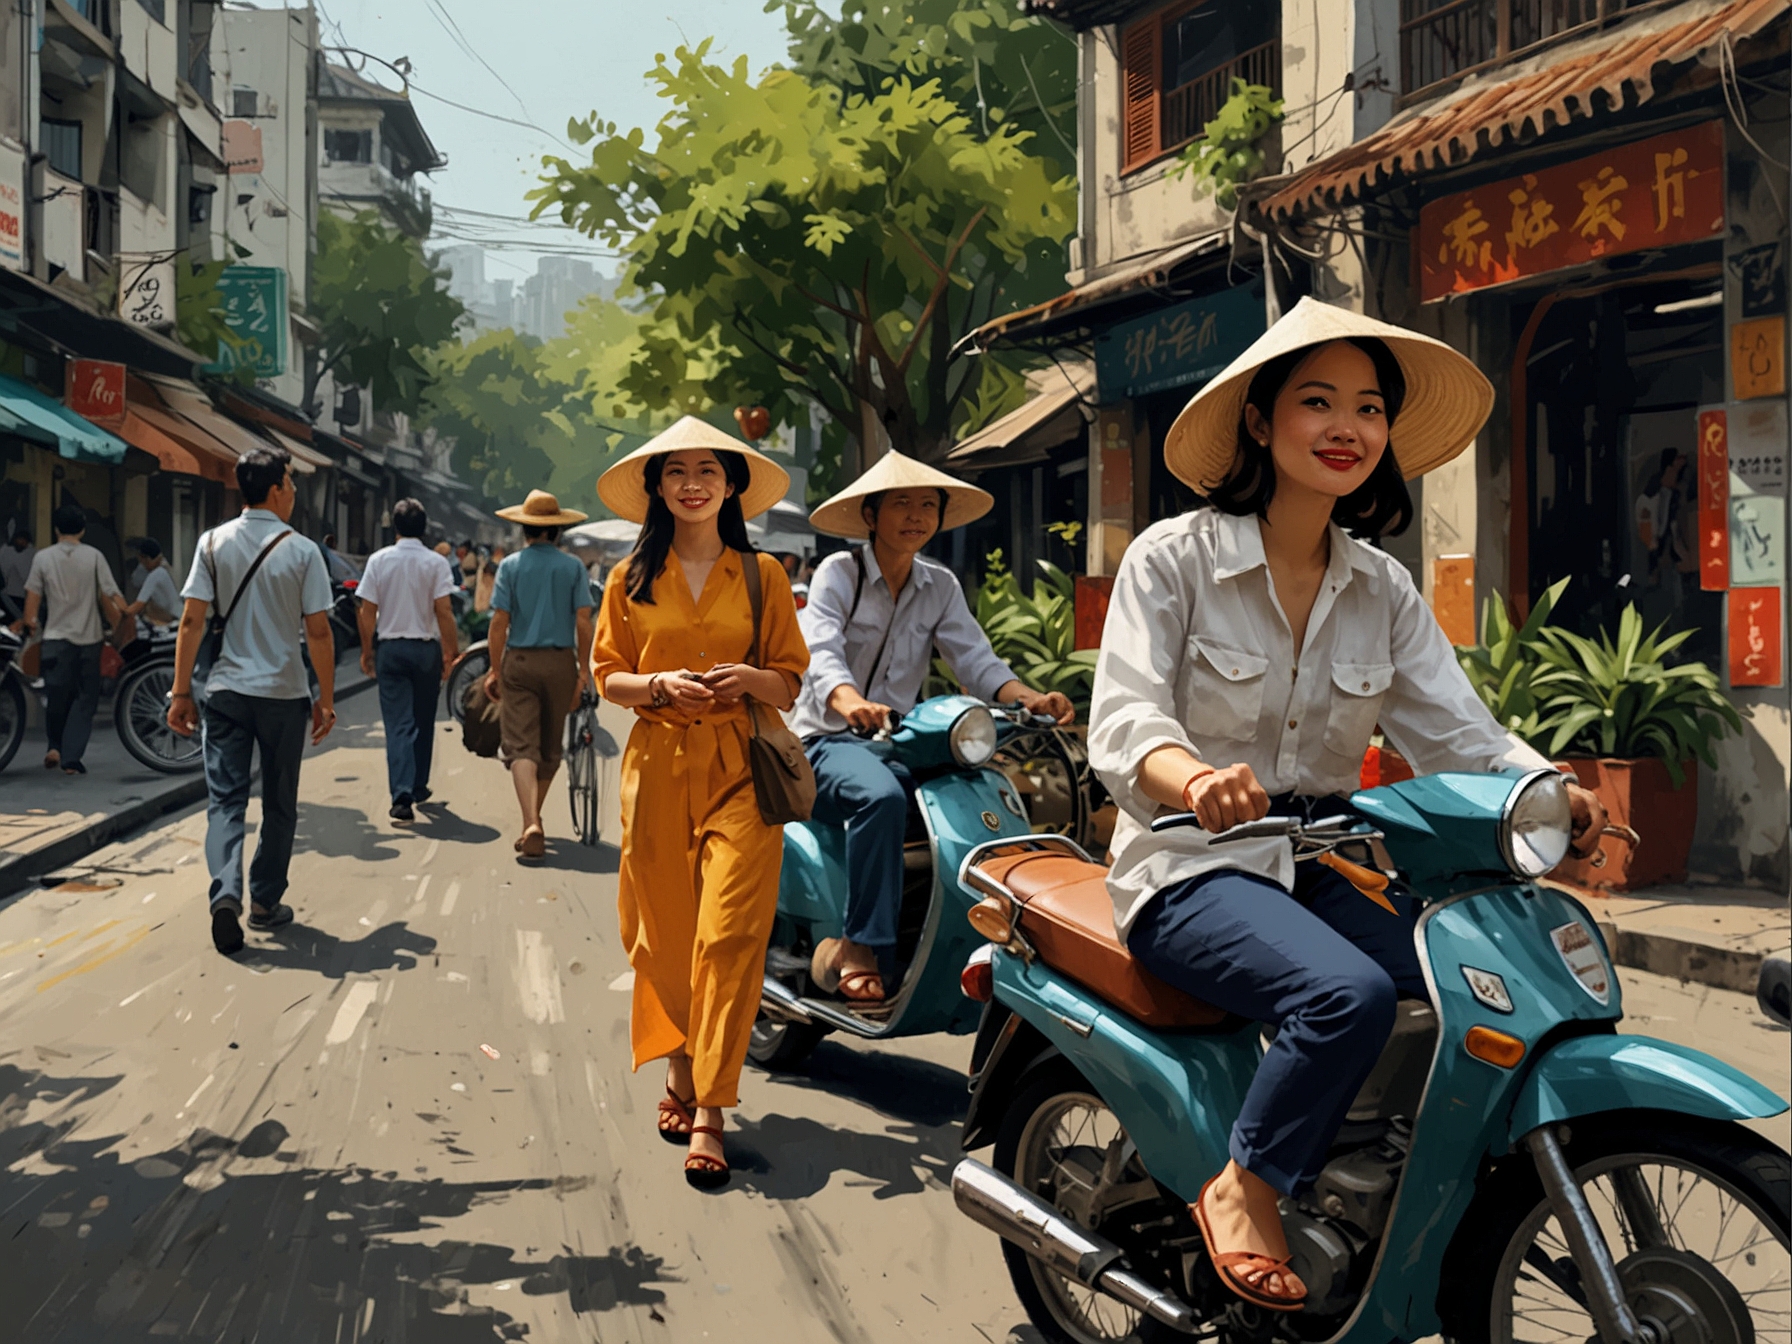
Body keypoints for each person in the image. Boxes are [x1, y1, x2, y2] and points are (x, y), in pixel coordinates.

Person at [1087, 298, 1609, 1313]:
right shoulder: (1172, 558)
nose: (1346, 428)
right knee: (1344, 997)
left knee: (1478, 979)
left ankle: (1388, 1177)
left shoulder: (1380, 587)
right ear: (1258, 420)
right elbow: (1125, 719)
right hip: (1187, 866)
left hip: (1323, 858)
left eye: (1368, 409)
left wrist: (1551, 790)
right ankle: (1244, 1183)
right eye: (1316, 401)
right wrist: (1193, 778)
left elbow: (1461, 734)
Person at [592, 416, 808, 1190]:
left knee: (729, 934)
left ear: (730, 485)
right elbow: (606, 674)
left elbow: (788, 678)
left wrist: (744, 679)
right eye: (677, 471)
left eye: (708, 471)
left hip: (741, 767)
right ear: (657, 486)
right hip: (654, 767)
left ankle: (711, 1108)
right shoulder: (628, 578)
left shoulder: (764, 576)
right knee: (664, 935)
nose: (692, 483)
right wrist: (655, 686)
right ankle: (682, 1068)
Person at [790, 452, 1076, 1003]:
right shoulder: (839, 573)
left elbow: (976, 661)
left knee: (983, 797)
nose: (916, 515)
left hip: (893, 744)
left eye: (928, 505)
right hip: (825, 741)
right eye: (901, 503)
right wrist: (850, 702)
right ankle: (861, 946)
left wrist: (1030, 698)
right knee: (880, 798)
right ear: (870, 515)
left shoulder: (939, 584)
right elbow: (818, 652)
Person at [167, 446, 337, 956]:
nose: (294, 492)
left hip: (225, 694)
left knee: (225, 801)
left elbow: (193, 620)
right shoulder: (303, 551)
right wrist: (325, 699)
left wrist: (180, 692)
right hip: (283, 695)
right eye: (291, 482)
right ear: (277, 490)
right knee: (280, 803)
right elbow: (320, 632)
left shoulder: (212, 542)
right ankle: (264, 901)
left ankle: (226, 892)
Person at [480, 492, 594, 857]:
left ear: (524, 528)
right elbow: (583, 621)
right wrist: (583, 671)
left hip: (521, 663)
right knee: (549, 747)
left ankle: (531, 821)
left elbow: (499, 623)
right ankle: (535, 819)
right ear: (558, 530)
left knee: (520, 746)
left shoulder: (510, 566)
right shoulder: (574, 567)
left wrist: (495, 670)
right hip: (561, 663)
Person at [356, 499, 459, 824]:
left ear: (395, 527)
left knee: (398, 724)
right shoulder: (436, 563)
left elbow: (367, 611)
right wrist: (450, 653)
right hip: (425, 650)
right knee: (423, 719)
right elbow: (444, 610)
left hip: (391, 650)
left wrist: (366, 650)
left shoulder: (379, 560)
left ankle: (401, 796)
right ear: (424, 527)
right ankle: (417, 785)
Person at [13, 504, 124, 773]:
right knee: (85, 699)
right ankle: (71, 759)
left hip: (55, 639)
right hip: (90, 639)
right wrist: (129, 614)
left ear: (56, 529)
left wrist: (29, 625)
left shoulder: (43, 558)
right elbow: (112, 594)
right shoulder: (95, 556)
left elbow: (33, 600)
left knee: (57, 696)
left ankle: (54, 746)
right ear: (82, 530)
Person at [120, 538, 181, 633]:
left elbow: (138, 605)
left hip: (175, 621)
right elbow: (136, 581)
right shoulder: (163, 568)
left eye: (142, 562)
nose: (142, 565)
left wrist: (121, 617)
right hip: (173, 617)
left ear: (147, 559)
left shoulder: (157, 574)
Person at [2, 527, 36, 621]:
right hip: (8, 595)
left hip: (25, 596)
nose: (20, 542)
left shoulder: (31, 554)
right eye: (19, 539)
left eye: (23, 540)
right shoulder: (7, 552)